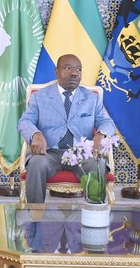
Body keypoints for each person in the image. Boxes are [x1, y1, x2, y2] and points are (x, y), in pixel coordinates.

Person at [18, 54, 116, 203]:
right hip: (49, 153)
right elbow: (25, 121)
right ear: (57, 72)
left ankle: (94, 212)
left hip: (82, 154)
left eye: (79, 69)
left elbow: (107, 122)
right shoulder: (40, 97)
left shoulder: (91, 98)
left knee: (97, 163)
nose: (74, 73)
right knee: (36, 163)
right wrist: (35, 134)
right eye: (68, 68)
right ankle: (35, 214)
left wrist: (100, 134)